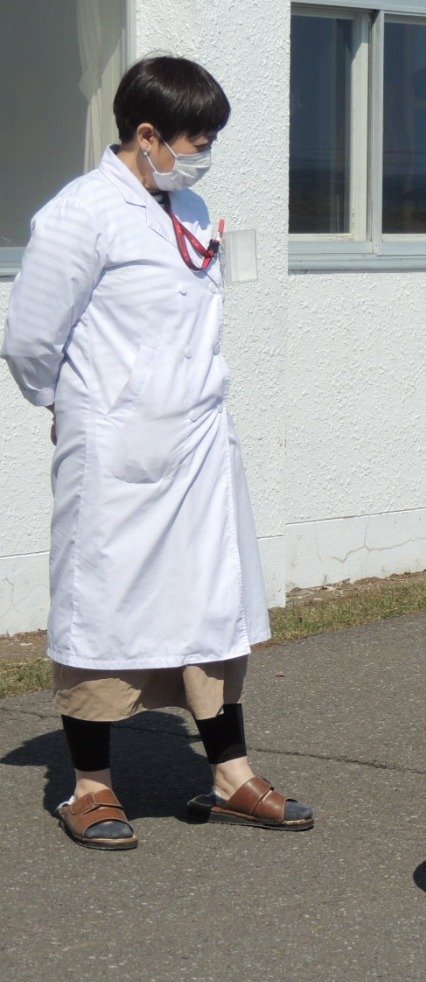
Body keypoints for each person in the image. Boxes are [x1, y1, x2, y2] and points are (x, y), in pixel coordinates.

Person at [1, 56, 313, 850]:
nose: (204, 149)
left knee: (210, 606)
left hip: (198, 445)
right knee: (106, 607)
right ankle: (92, 789)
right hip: (117, 448)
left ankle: (230, 775)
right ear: (146, 135)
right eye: (194, 136)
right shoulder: (80, 214)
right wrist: (67, 406)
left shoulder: (190, 203)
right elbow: (32, 338)